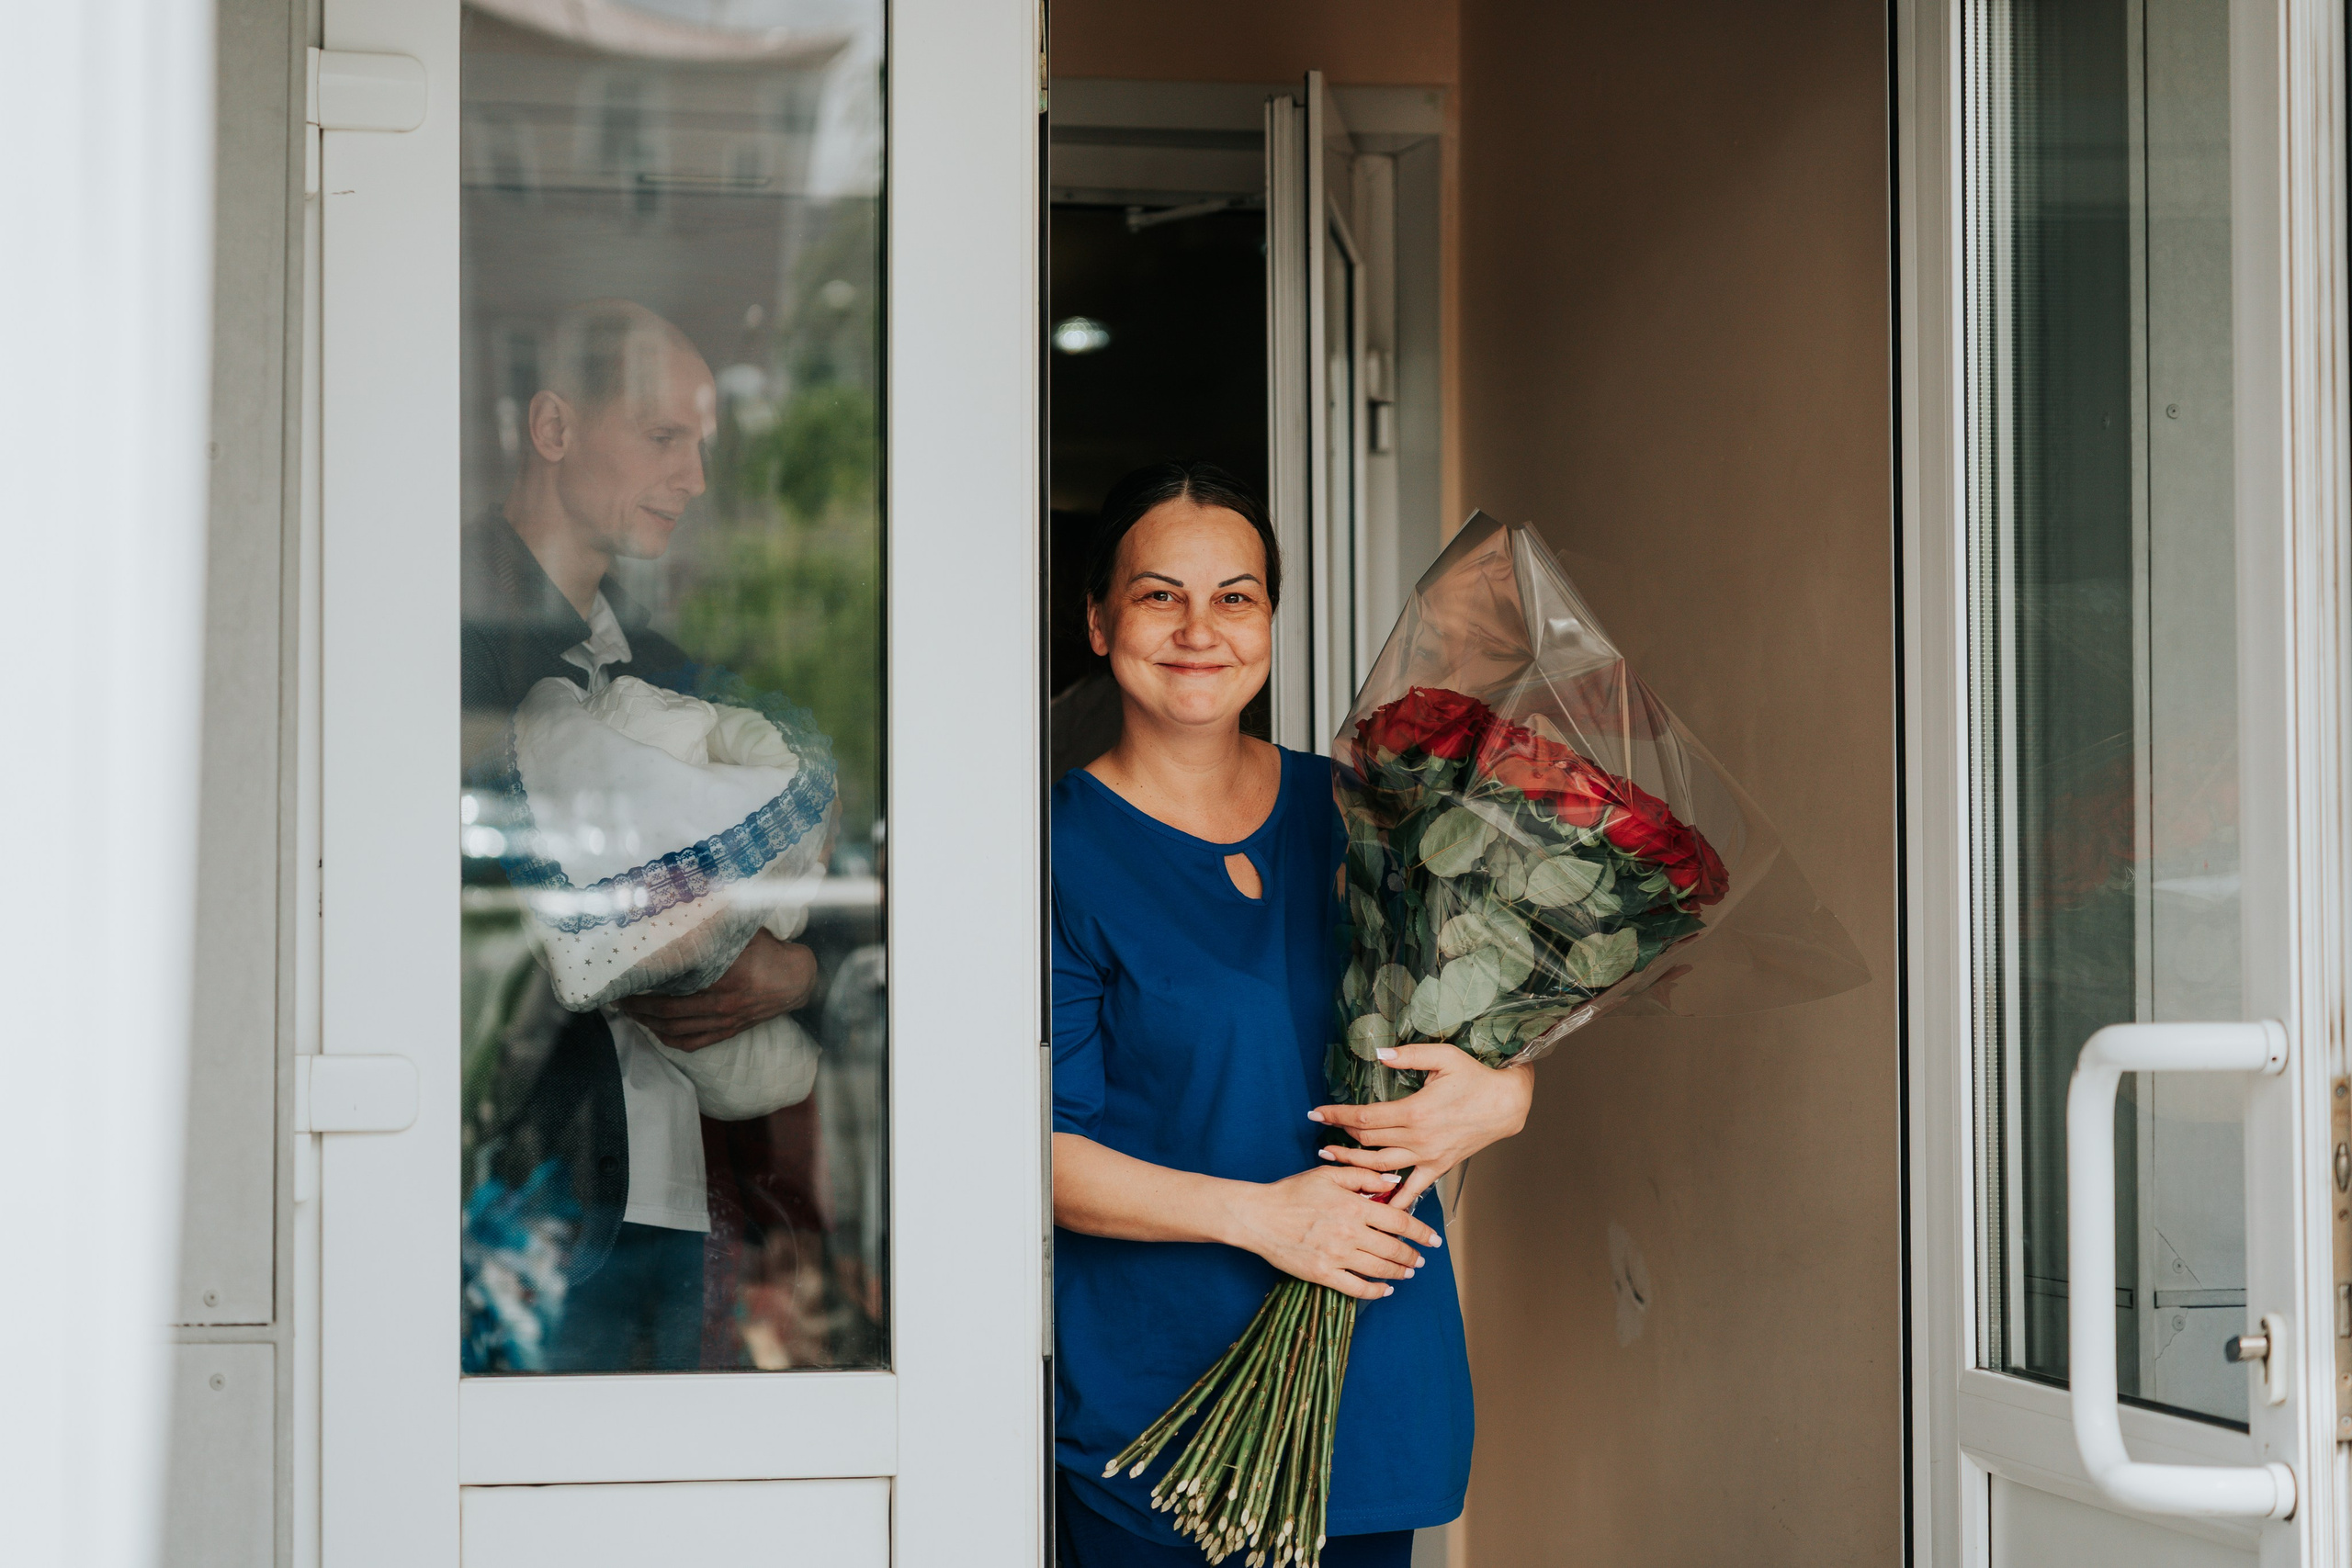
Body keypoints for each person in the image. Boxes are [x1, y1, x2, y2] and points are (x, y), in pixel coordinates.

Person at [1051, 462, 1535, 1567]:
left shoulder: (1368, 811)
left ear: (1270, 620)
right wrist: (1265, 1219)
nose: (1197, 628)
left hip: (1371, 1370)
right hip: (1164, 1406)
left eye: (1234, 596)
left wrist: (1503, 1095)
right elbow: (1038, 1154)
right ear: (1096, 621)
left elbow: (1478, 1025)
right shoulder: (1055, 854)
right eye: (1156, 594)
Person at [462, 299, 819, 1371]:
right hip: (512, 1190)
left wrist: (791, 972)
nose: (696, 479)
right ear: (555, 428)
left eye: (703, 445)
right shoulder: (443, 636)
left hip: (672, 1186)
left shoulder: (664, 665)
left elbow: (807, 860)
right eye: (665, 438)